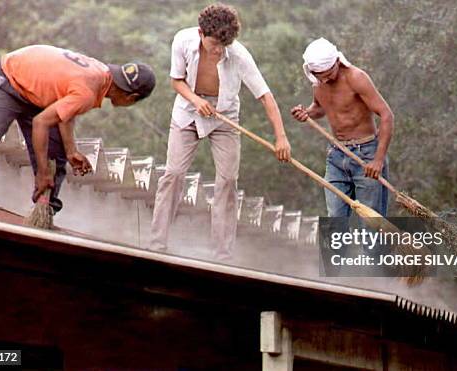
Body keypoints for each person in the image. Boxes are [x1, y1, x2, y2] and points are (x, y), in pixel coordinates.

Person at [151, 3, 291, 259]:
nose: (217, 51)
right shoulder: (182, 40)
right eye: (213, 44)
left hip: (224, 116)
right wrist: (195, 100)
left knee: (227, 181)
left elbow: (265, 96)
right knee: (173, 174)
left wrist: (281, 137)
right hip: (188, 111)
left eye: (222, 46)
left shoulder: (238, 55)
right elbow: (175, 80)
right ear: (201, 33)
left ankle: (222, 254)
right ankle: (157, 243)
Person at [0, 45, 156, 213]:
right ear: (131, 98)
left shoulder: (101, 74)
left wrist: (71, 150)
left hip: (34, 94)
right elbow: (40, 123)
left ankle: (43, 214)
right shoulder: (89, 91)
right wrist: (42, 172)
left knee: (56, 155)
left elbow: (65, 111)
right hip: (7, 80)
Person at [291, 38, 394, 217]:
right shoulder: (318, 83)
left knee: (371, 223)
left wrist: (378, 160)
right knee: (335, 217)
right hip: (336, 155)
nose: (325, 79)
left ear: (337, 62)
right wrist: (306, 113)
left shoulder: (356, 78)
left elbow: (387, 115)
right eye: (319, 75)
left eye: (328, 73)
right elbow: (320, 107)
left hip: (366, 154)